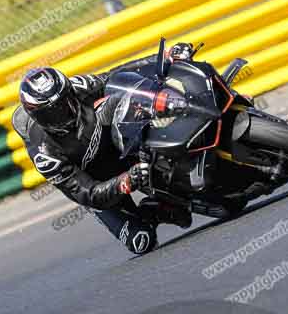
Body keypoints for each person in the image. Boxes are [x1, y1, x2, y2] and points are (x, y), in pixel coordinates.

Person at [12, 43, 201, 255]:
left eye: (65, 103)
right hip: (101, 185)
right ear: (36, 117)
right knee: (142, 241)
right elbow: (88, 193)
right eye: (52, 113)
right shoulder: (45, 153)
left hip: (122, 149)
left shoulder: (78, 87)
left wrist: (165, 58)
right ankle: (155, 211)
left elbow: (117, 75)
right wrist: (125, 181)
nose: (63, 113)